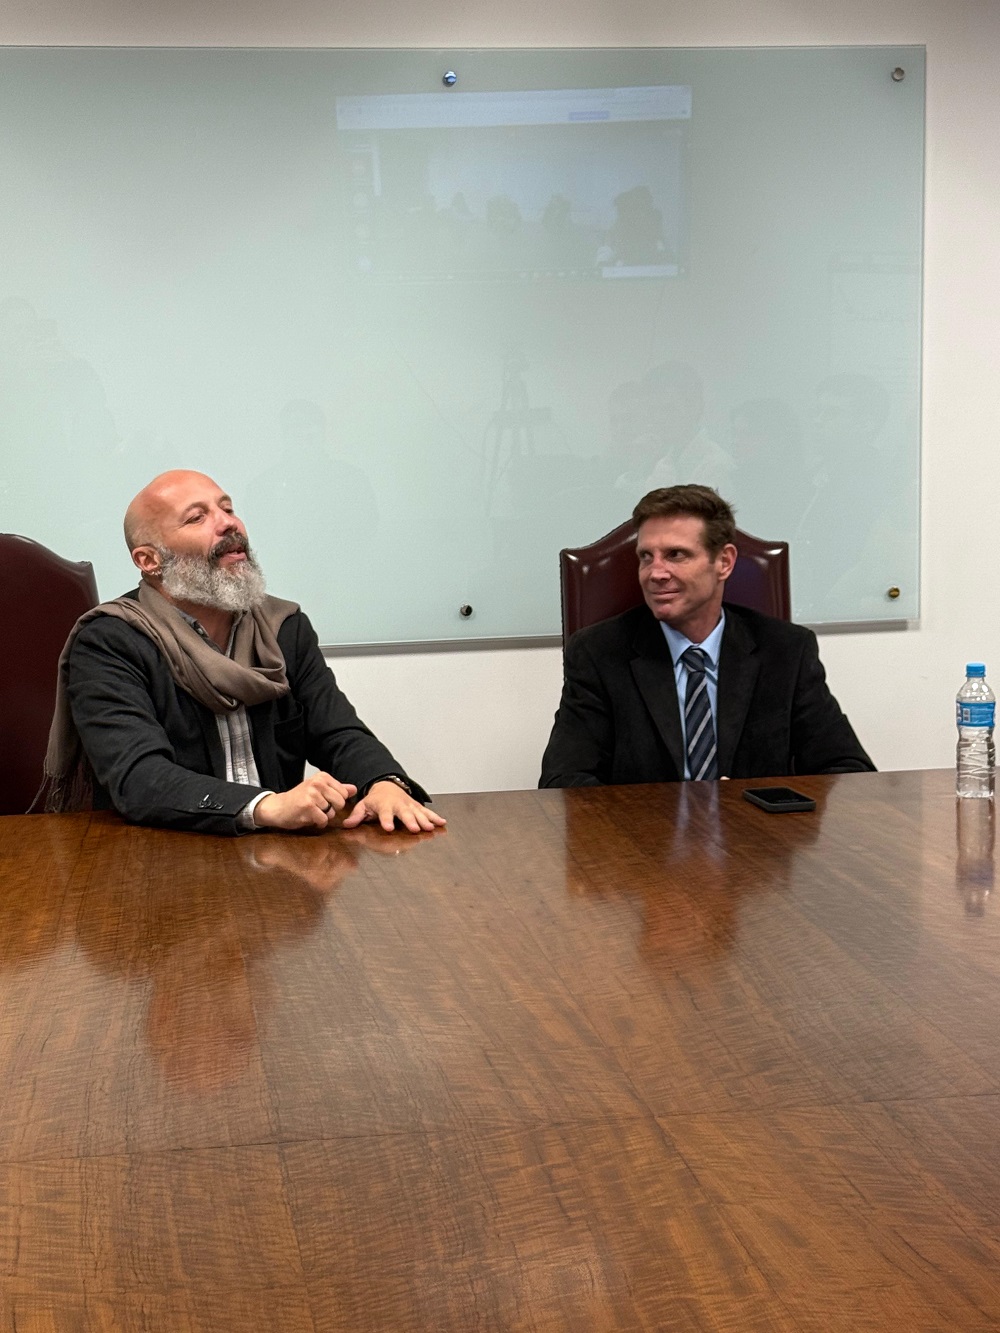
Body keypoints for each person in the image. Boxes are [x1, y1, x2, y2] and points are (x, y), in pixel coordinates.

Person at [43, 470, 446, 837]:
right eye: (196, 518)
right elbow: (140, 777)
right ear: (149, 560)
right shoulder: (110, 641)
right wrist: (265, 806)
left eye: (228, 508)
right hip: (160, 861)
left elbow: (336, 731)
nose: (228, 523)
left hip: (279, 865)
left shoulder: (283, 627)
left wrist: (383, 783)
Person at [539, 484, 874, 787]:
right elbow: (565, 783)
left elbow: (849, 773)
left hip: (758, 847)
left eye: (676, 555)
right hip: (643, 850)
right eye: (645, 557)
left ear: (724, 562)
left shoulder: (786, 651)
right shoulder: (599, 653)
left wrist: (755, 806)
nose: (655, 573)